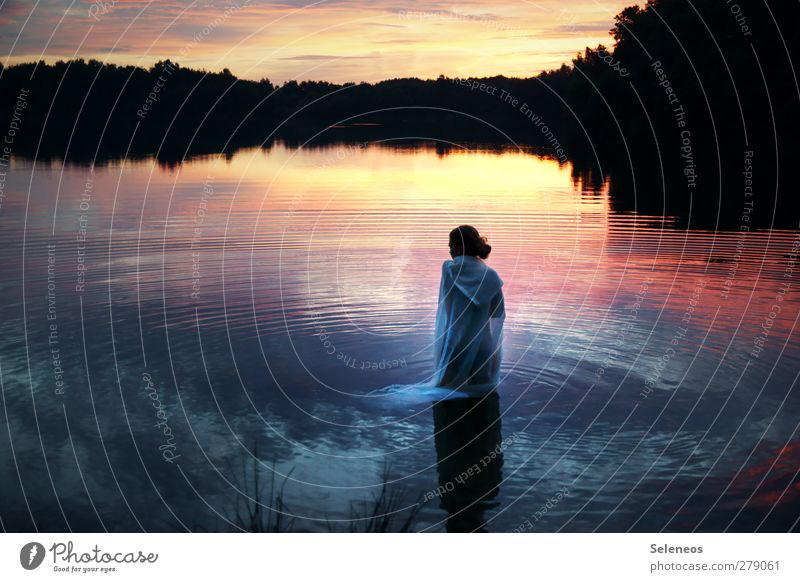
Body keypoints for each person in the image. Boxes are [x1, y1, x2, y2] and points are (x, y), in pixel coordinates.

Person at [431, 225, 505, 393]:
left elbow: (446, 309)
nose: (449, 249)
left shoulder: (450, 270)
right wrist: (494, 351)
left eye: (450, 244)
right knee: (480, 397)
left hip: (456, 343)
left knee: (445, 394)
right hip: (484, 345)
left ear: (458, 246)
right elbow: (498, 314)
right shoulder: (492, 276)